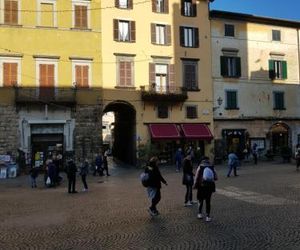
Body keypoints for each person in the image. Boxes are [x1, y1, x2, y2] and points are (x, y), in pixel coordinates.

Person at [193, 157, 217, 222]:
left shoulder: (200, 167)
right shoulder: (211, 166)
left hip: (201, 186)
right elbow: (215, 176)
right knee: (208, 201)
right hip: (210, 186)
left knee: (200, 200)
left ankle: (200, 213)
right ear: (208, 160)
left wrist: (195, 185)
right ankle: (208, 216)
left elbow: (196, 177)